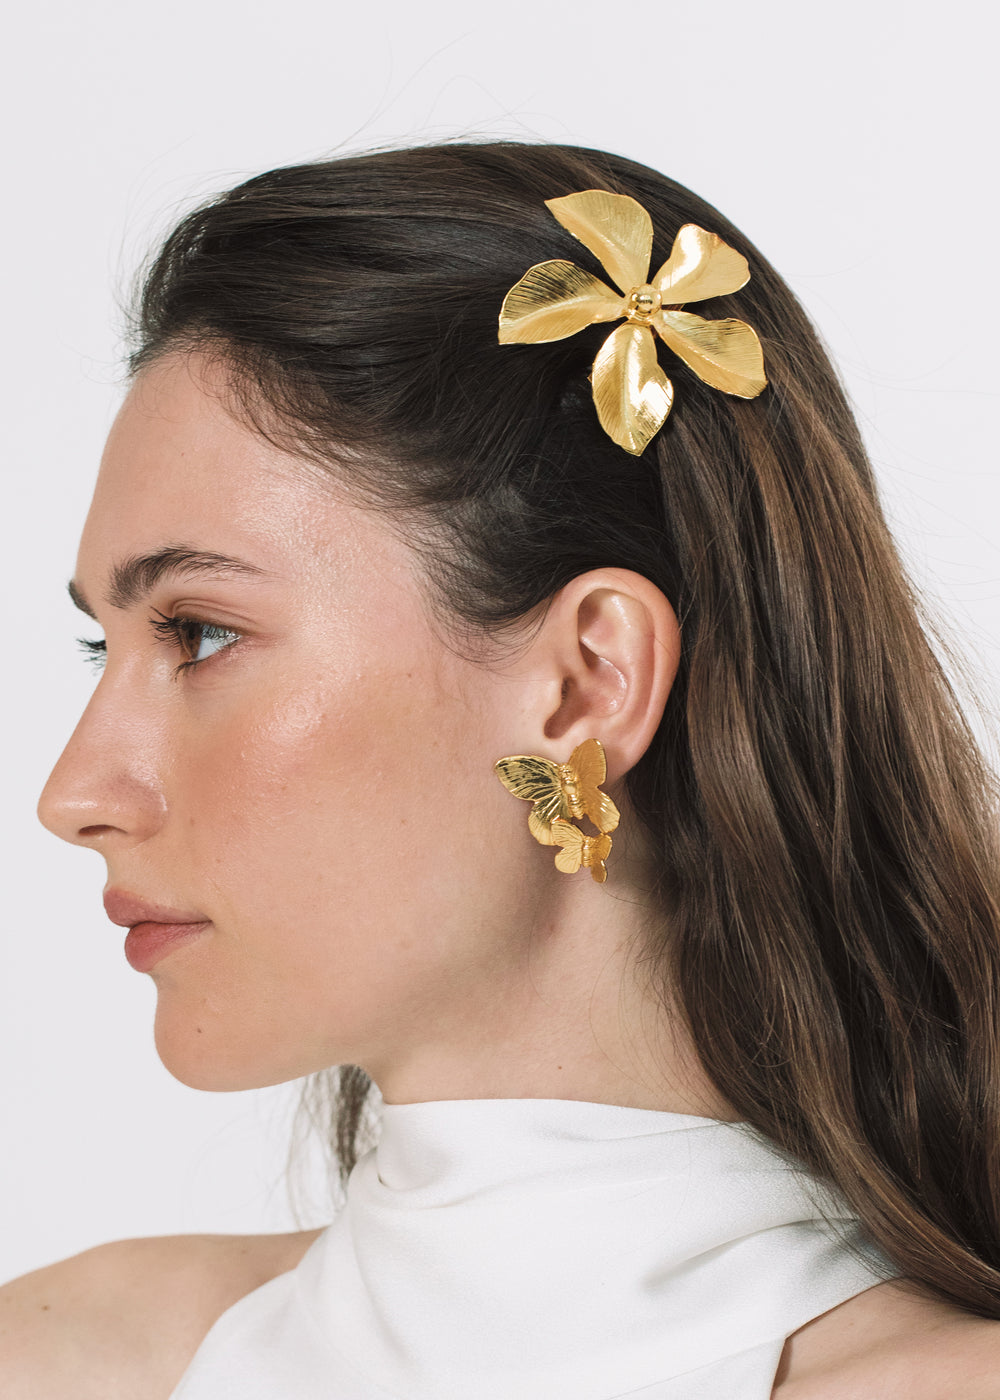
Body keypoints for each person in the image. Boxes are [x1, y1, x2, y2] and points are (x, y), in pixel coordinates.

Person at [3, 140, 1000, 1398]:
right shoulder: (59, 1358)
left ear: (588, 681)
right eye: (102, 644)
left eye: (199, 633)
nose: (75, 793)